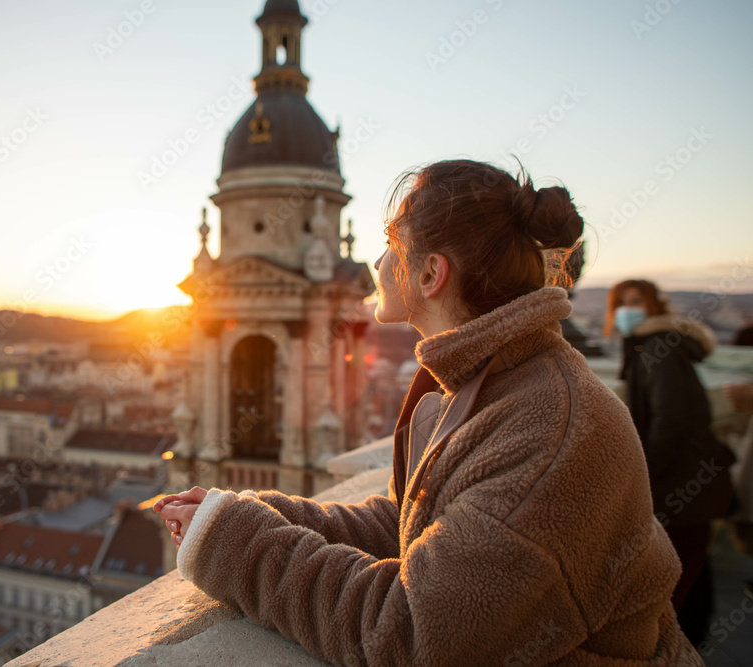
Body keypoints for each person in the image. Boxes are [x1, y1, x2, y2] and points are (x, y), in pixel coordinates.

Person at [155, 159, 701, 665]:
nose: (376, 262)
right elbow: (413, 527)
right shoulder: (488, 377)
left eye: (393, 244)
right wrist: (257, 511)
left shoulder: (543, 429)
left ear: (430, 274)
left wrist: (236, 542)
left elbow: (413, 633)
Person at [605, 279, 736, 645]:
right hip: (693, 483)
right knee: (694, 575)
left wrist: (644, 474)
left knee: (679, 581)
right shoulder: (653, 346)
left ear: (654, 307)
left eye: (635, 302)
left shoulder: (657, 348)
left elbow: (670, 421)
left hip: (683, 484)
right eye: (621, 303)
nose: (627, 311)